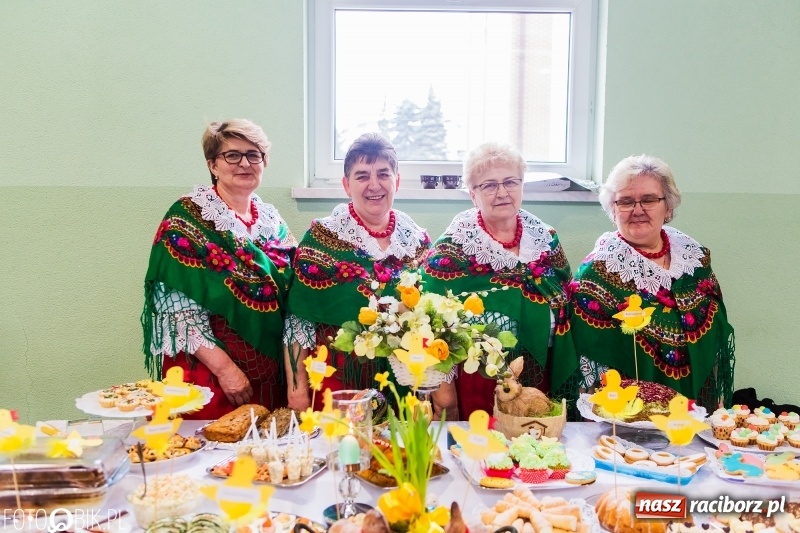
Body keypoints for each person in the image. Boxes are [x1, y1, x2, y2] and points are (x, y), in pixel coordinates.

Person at [141, 119, 296, 419]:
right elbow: (174, 309)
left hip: (267, 372)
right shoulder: (187, 218)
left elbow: (293, 290)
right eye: (232, 155)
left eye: (254, 155)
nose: (245, 164)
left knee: (262, 458)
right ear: (212, 165)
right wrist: (226, 371)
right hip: (210, 373)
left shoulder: (272, 220)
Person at [421, 141, 579, 420]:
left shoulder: (545, 239)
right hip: (481, 382)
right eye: (489, 185)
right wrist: (446, 401)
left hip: (543, 374)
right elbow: (430, 322)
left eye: (510, 182)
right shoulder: (453, 249)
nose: (502, 192)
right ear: (472, 194)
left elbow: (567, 298)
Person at [570, 154, 735, 407]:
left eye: (648, 199)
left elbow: (715, 331)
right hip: (629, 416)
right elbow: (589, 363)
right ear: (613, 210)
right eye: (625, 201)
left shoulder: (695, 260)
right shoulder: (596, 272)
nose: (637, 210)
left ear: (668, 207)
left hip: (699, 407)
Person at [284, 133, 431, 411]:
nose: (374, 185)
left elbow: (430, 324)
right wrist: (297, 393)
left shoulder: (417, 242)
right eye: (362, 175)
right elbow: (297, 323)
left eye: (383, 174)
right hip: (337, 385)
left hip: (403, 385)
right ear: (345, 184)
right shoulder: (320, 239)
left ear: (396, 181)